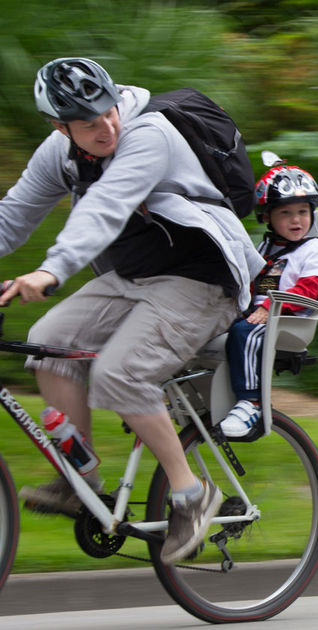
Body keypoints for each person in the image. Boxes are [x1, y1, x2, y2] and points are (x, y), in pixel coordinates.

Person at [0, 57, 264, 565]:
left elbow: (105, 209)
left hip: (203, 279)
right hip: (133, 278)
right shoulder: (60, 152)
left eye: (108, 111)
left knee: (120, 374)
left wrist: (50, 271)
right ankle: (82, 480)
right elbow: (13, 217)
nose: (106, 126)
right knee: (47, 344)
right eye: (88, 123)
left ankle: (192, 494)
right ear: (61, 127)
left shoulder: (150, 134)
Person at [219, 161, 318, 438]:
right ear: (267, 217)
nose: (296, 220)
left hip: (287, 317)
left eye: (303, 212)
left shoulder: (313, 249)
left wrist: (271, 306)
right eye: (286, 213)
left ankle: (251, 403)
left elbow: (309, 289)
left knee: (245, 332)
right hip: (258, 311)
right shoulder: (268, 247)